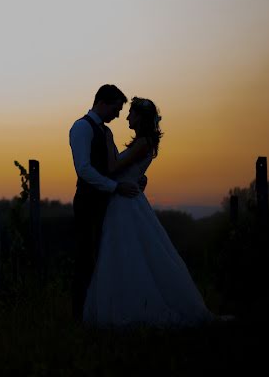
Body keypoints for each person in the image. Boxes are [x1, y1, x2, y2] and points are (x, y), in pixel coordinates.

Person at [83, 96, 217, 328]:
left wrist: (107, 138)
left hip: (127, 204)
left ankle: (137, 308)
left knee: (129, 254)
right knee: (123, 254)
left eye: (131, 113)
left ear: (141, 118)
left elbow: (114, 168)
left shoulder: (143, 143)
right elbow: (129, 171)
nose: (127, 116)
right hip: (124, 200)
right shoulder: (141, 143)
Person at [70, 85, 150, 322]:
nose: (118, 115)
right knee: (86, 259)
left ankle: (101, 312)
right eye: (116, 108)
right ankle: (81, 316)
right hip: (88, 203)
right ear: (103, 102)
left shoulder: (106, 133)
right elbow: (84, 169)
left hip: (109, 204)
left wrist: (136, 177)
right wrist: (116, 187)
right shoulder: (82, 127)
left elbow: (113, 167)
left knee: (102, 258)